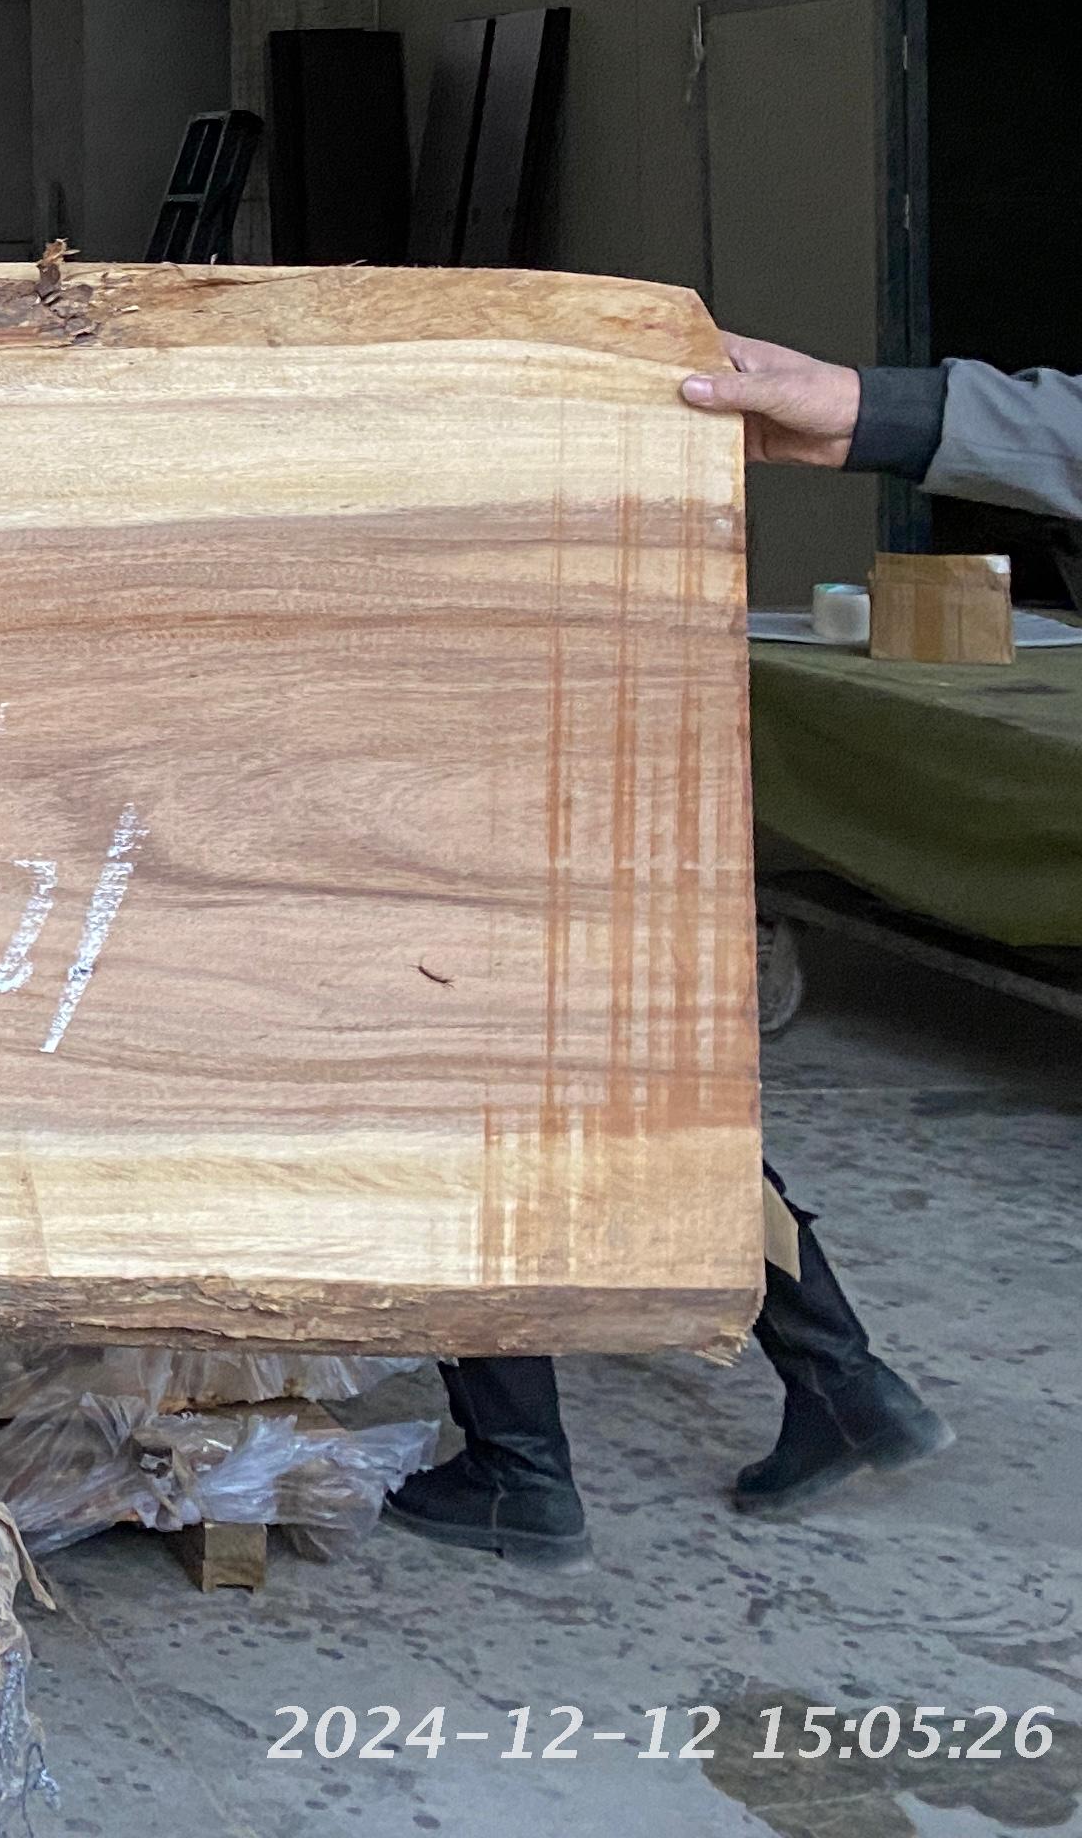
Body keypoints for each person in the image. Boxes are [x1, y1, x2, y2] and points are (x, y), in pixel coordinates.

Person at [386, 331, 1074, 1566]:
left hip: (488, 842)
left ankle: (518, 1469)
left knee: (467, 1121)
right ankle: (844, 1384)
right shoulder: (599, 534)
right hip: (600, 829)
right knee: (653, 1116)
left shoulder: (436, 549)